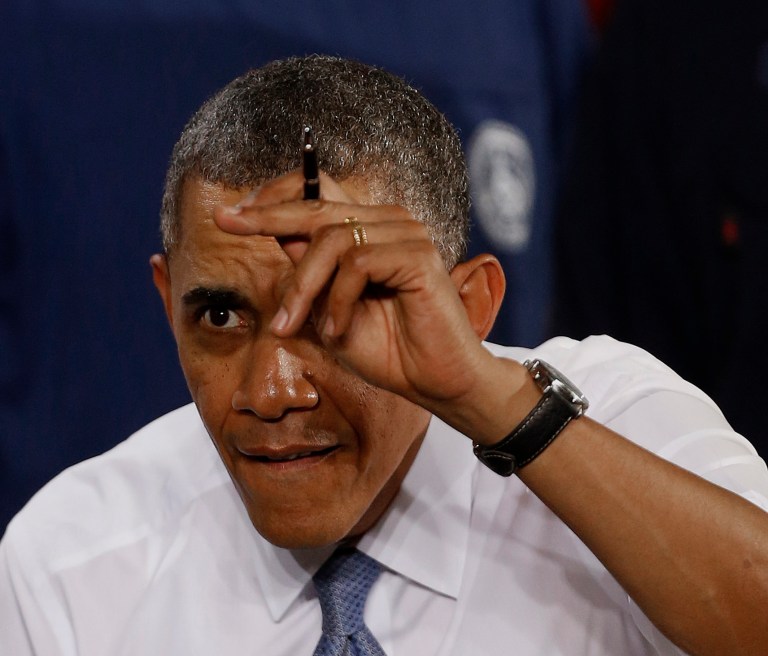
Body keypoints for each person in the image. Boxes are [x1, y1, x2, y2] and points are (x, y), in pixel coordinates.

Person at [1, 55, 767, 656]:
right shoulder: (72, 560)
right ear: (168, 300)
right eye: (222, 314)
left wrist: (489, 400)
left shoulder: (611, 419)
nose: (271, 392)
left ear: (467, 306)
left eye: (333, 306)